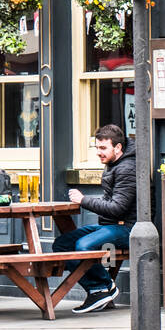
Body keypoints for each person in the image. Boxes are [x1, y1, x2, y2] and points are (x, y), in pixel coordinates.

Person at [59, 124, 136, 314]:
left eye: (103, 148)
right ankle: (100, 289)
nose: (98, 152)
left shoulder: (127, 168)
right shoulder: (114, 164)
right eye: (97, 147)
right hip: (112, 225)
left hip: (128, 228)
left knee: (83, 246)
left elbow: (118, 208)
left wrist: (84, 200)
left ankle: (101, 288)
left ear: (118, 148)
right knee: (62, 243)